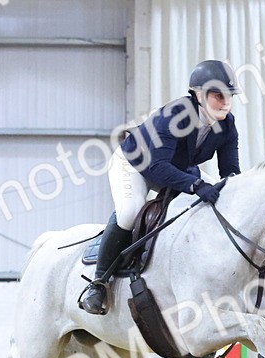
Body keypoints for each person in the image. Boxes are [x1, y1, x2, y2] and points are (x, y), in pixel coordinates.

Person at [79, 59, 241, 315]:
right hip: (136, 164)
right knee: (130, 211)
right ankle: (99, 284)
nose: (226, 102)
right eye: (218, 95)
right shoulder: (176, 115)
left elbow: (230, 173)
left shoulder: (227, 125)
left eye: (229, 96)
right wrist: (195, 184)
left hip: (176, 167)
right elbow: (157, 168)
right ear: (198, 95)